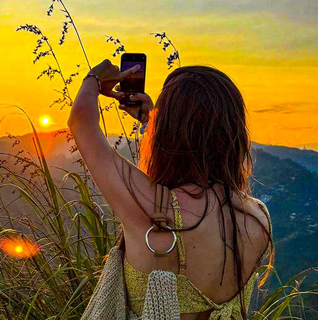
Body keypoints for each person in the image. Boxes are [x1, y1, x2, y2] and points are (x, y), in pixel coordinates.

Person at [68, 59, 273, 319]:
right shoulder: (258, 218)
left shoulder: (152, 210)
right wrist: (151, 121)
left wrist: (94, 78)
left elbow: (81, 122)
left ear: (168, 132)